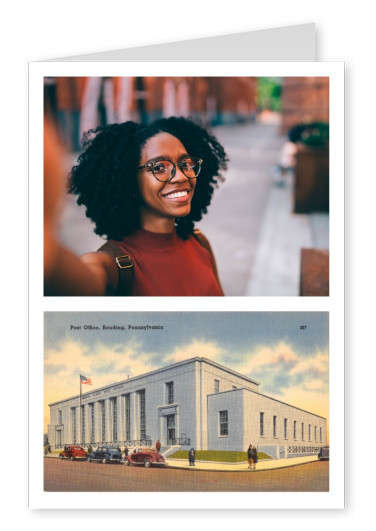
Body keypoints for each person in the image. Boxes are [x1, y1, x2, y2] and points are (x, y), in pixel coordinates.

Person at [44, 116, 228, 296]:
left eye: (186, 163)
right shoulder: (111, 266)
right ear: (129, 181)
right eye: (159, 167)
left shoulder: (200, 243)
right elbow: (74, 281)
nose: (181, 176)